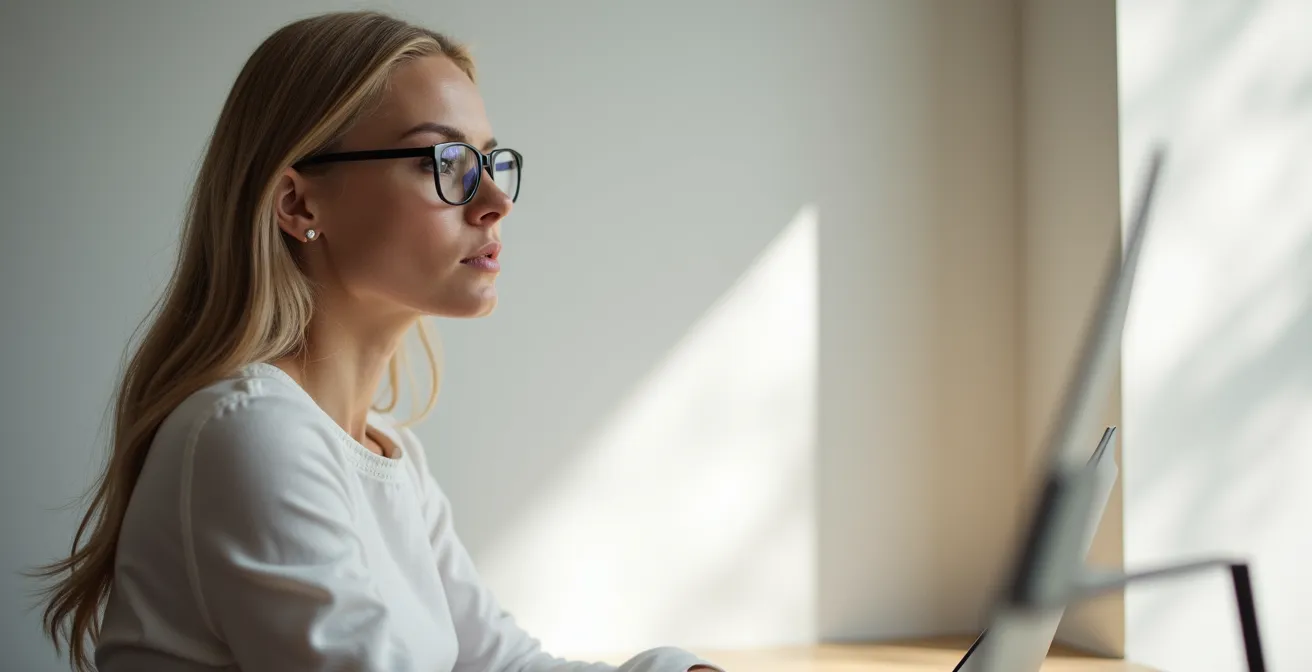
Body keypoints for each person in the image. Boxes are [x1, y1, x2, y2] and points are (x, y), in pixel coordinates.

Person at [31, 11, 724, 672]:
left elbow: (500, 662)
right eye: (441, 162)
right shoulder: (249, 434)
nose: (495, 202)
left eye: (488, 161)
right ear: (299, 204)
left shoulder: (389, 456)